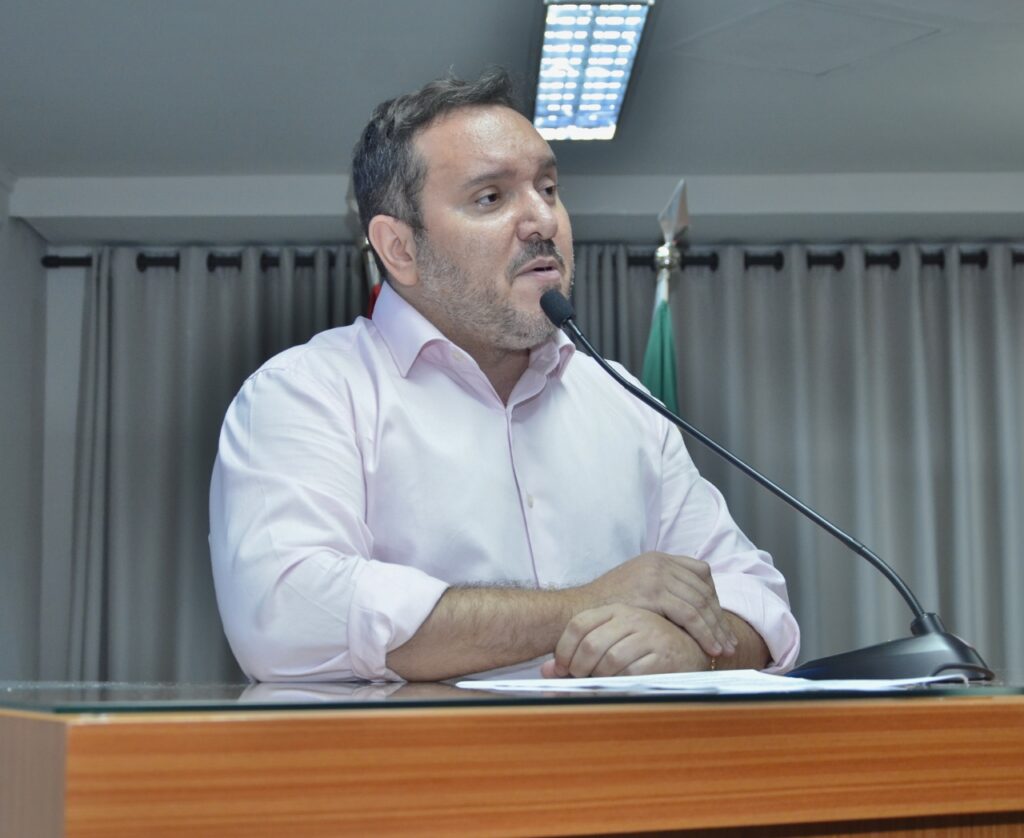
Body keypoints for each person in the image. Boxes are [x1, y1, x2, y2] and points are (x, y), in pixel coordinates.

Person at [209, 68, 799, 683]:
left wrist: (696, 649)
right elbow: (286, 615)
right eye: (490, 198)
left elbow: (759, 602)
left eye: (548, 188)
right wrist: (585, 606)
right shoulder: (305, 392)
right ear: (399, 248)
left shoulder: (622, 400)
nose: (542, 220)